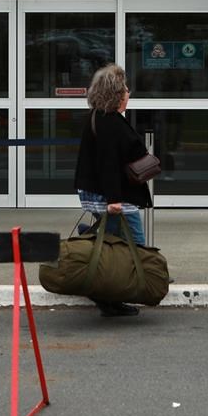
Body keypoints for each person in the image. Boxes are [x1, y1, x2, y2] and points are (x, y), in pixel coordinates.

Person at [74, 63, 152, 317]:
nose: (129, 93)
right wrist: (114, 200)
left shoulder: (104, 117)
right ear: (116, 94)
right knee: (134, 241)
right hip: (110, 195)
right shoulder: (107, 123)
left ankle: (120, 287)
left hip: (106, 193)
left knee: (113, 240)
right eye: (126, 89)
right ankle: (131, 285)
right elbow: (107, 164)